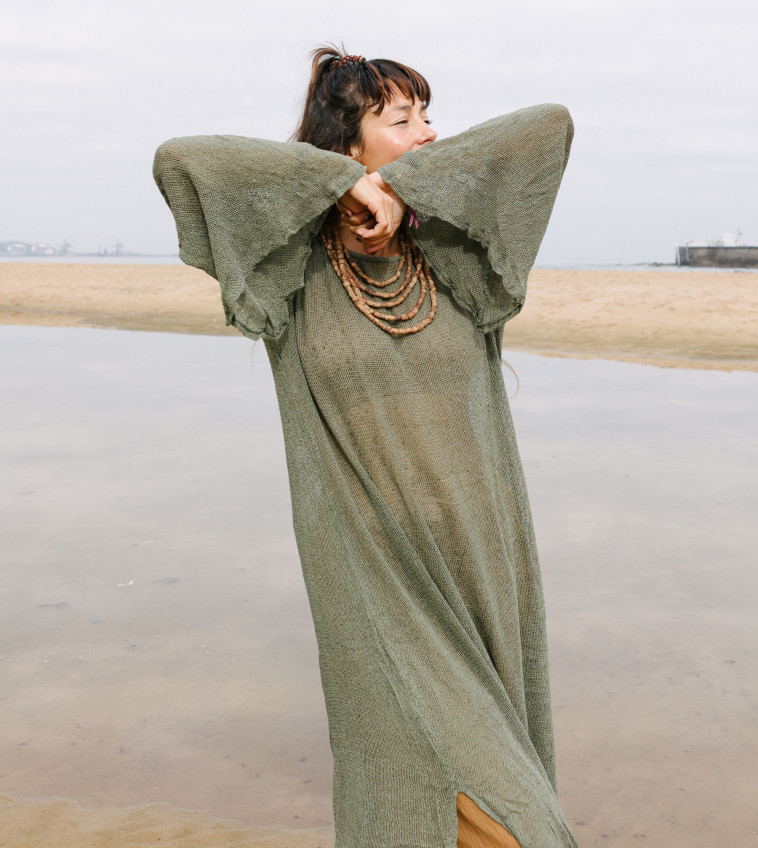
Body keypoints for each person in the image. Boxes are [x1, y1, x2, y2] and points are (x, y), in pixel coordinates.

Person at [153, 47, 576, 848]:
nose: (430, 133)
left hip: (478, 562)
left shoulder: (459, 259)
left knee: (494, 785)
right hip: (373, 576)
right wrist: (338, 183)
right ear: (349, 143)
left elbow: (548, 128)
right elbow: (182, 161)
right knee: (508, 819)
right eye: (403, 120)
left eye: (428, 116)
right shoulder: (284, 273)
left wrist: (404, 184)